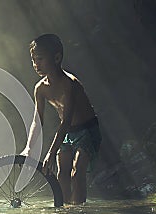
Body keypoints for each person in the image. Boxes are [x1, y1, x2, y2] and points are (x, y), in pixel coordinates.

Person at [21, 34, 101, 204]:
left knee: (77, 172)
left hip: (87, 129)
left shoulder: (69, 83)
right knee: (61, 173)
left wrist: (50, 152)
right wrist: (29, 148)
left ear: (57, 57)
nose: (36, 64)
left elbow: (66, 120)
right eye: (34, 60)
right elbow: (37, 120)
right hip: (67, 132)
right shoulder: (40, 88)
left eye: (40, 59)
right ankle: (64, 212)